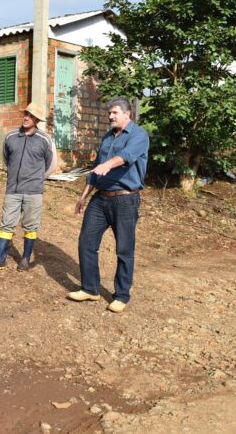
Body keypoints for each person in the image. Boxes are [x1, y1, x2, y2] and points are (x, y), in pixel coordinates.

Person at [67, 97, 149, 313]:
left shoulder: (139, 135)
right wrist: (84, 195)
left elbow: (126, 157)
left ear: (126, 114)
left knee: (124, 249)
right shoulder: (107, 137)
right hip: (100, 198)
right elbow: (96, 168)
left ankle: (121, 295)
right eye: (109, 114)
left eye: (114, 113)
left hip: (125, 199)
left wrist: (108, 164)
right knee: (86, 242)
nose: (110, 117)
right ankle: (90, 289)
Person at [0, 102, 57, 271]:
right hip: (13, 189)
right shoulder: (10, 136)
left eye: (31, 116)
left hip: (33, 191)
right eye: (26, 114)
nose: (27, 118)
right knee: (6, 224)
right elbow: (7, 159)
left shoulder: (44, 139)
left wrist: (37, 178)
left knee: (31, 226)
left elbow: (51, 164)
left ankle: (25, 259)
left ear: (37, 120)